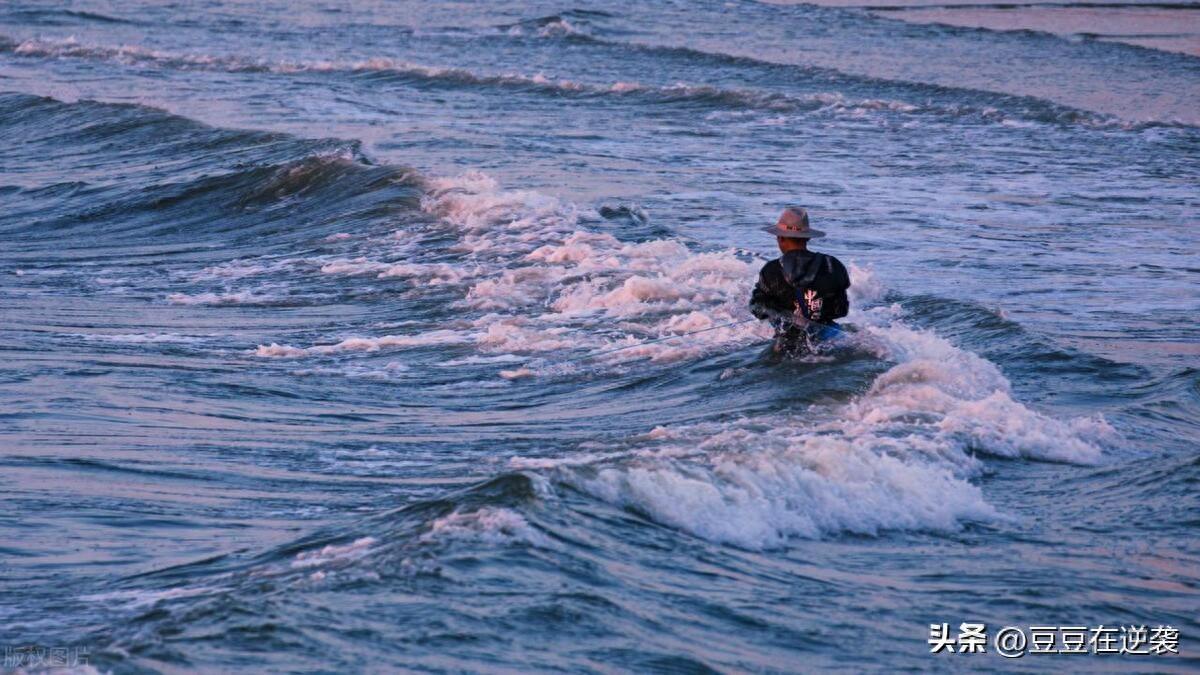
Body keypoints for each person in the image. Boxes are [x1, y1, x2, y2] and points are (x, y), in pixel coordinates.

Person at [749, 207, 851, 354]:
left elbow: (757, 308)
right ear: (807, 237)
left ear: (780, 237)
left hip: (787, 343)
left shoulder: (771, 270)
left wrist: (781, 314)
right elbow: (841, 311)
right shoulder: (832, 265)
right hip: (828, 341)